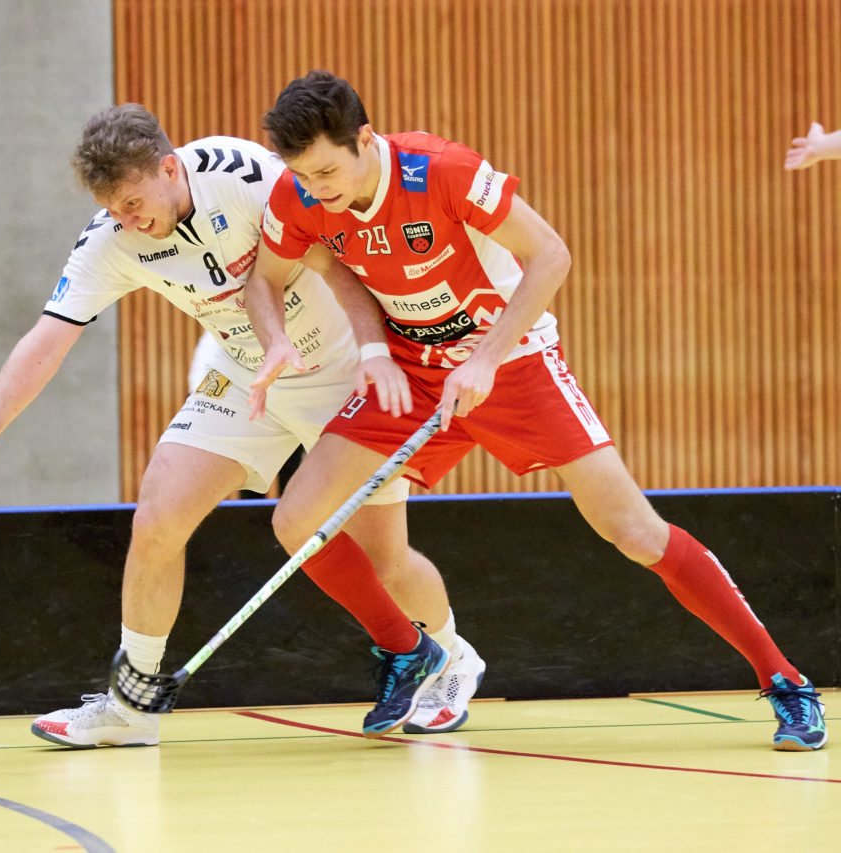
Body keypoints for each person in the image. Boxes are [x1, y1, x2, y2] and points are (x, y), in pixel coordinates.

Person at [243, 70, 827, 751]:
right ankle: (411, 651)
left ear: (365, 139)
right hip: (412, 373)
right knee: (297, 519)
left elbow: (551, 254)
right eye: (303, 176)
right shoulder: (299, 195)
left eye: (327, 172)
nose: (317, 189)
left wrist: (486, 358)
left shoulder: (442, 170)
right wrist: (285, 339)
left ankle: (785, 679)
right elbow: (267, 278)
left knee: (635, 531)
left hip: (514, 362)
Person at [0, 104, 484, 746]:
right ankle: (132, 708)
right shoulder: (111, 240)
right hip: (246, 375)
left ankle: (451, 658)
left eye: (133, 203)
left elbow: (339, 255)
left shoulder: (244, 175)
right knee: (157, 519)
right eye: (112, 209)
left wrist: (377, 350)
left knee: (382, 558)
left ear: (169, 168)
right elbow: (45, 341)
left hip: (342, 374)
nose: (126, 221)